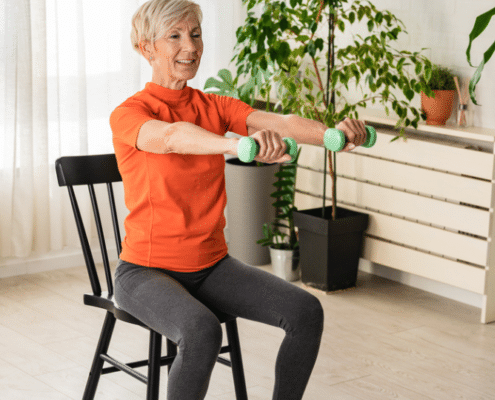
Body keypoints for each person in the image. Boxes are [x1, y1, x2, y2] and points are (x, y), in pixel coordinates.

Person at [109, 1, 368, 399]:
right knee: (201, 329)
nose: (190, 46)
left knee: (305, 311)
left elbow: (280, 123)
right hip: (144, 272)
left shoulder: (213, 105)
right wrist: (237, 146)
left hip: (210, 266)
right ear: (147, 48)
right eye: (174, 36)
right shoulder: (130, 114)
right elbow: (172, 137)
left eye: (195, 34)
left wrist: (335, 136)